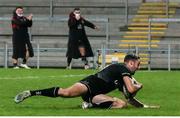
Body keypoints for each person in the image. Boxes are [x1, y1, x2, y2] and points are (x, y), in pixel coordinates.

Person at [14, 54, 157, 109]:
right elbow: (132, 90)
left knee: (121, 104)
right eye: (138, 64)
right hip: (91, 83)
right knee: (66, 93)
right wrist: (138, 86)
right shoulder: (122, 68)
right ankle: (31, 93)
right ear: (130, 63)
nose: (139, 67)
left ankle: (89, 104)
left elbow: (129, 97)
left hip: (97, 93)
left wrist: (145, 107)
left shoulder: (124, 76)